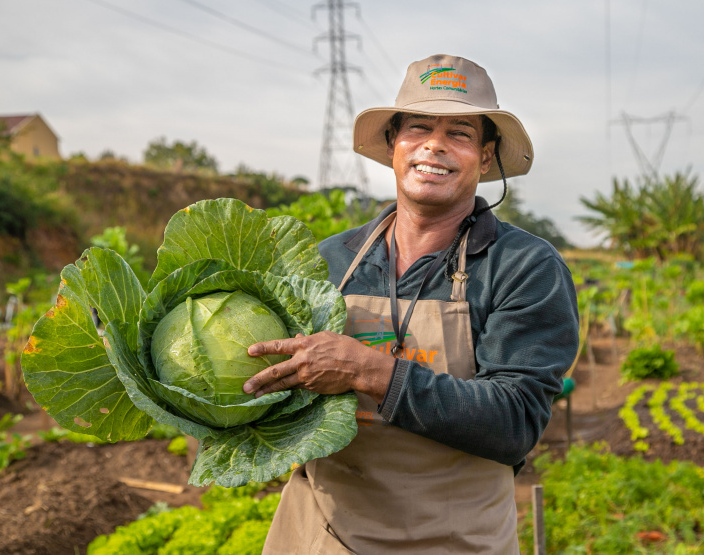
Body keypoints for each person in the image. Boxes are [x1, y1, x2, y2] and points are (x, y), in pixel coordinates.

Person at [245, 54, 580, 554]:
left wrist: (369, 372)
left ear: (486, 158)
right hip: (321, 535)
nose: (435, 146)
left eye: (461, 134)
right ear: (393, 145)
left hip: (458, 540)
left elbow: (515, 422)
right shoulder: (332, 259)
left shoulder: (523, 266)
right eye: (418, 127)